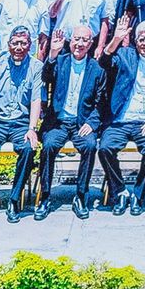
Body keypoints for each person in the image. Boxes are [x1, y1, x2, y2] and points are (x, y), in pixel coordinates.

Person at [96, 18, 145, 215]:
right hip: (120, 120)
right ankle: (120, 191)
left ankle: (138, 193)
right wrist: (115, 40)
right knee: (105, 148)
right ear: (135, 41)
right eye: (141, 40)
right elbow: (103, 63)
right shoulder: (124, 55)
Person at [0, 27, 45, 222]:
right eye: (15, 42)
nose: (18, 47)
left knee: (27, 148)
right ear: (8, 45)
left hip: (22, 121)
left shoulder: (36, 66)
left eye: (23, 43)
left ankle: (14, 199)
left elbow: (35, 99)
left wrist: (32, 129)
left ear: (29, 45)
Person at [39, 25, 106, 220]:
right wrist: (52, 53)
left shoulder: (97, 69)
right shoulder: (60, 61)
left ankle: (81, 196)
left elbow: (100, 102)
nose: (80, 44)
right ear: (71, 40)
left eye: (85, 40)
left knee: (89, 145)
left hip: (82, 122)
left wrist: (92, 123)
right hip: (58, 121)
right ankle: (45, 196)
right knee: (49, 145)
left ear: (91, 43)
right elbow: (46, 77)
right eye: (76, 39)